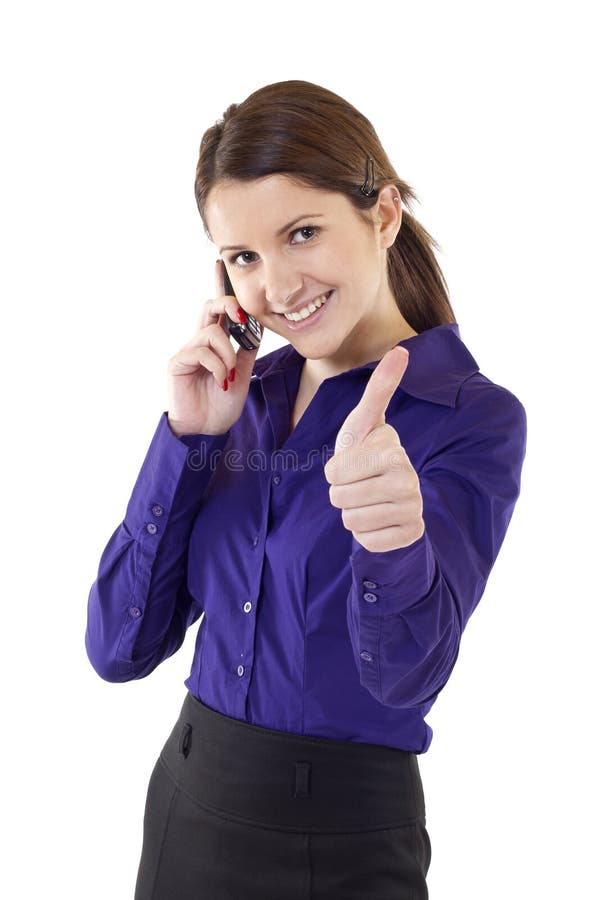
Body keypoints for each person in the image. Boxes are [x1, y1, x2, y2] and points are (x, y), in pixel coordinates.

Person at [85, 80, 527, 900]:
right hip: (186, 803)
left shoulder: (470, 419)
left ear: (383, 215)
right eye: (245, 256)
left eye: (304, 233)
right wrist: (185, 441)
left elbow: (405, 680)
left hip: (343, 842)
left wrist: (394, 542)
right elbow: (118, 649)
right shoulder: (237, 399)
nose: (277, 286)